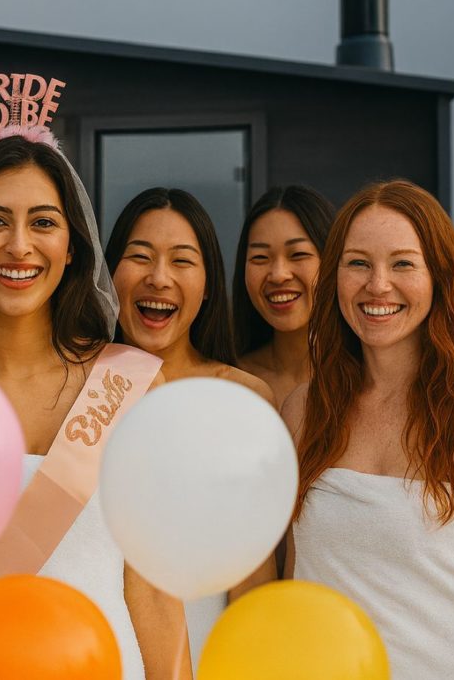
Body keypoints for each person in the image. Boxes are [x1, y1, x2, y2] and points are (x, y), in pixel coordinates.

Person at [0, 126, 185, 678]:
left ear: (72, 248)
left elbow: (158, 596)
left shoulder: (133, 386)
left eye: (43, 222)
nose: (18, 246)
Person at [282, 180, 454, 678]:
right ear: (334, 276)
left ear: (439, 276)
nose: (378, 285)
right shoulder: (305, 409)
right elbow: (297, 583)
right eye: (358, 263)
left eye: (403, 263)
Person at [105, 187, 275, 672]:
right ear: (108, 274)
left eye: (182, 261)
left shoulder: (243, 398)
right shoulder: (81, 386)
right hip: (93, 646)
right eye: (139, 257)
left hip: (207, 656)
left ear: (207, 286)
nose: (158, 278)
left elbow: (251, 575)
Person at [232, 186, 334, 406]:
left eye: (298, 254)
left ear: (332, 261)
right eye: (260, 257)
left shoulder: (367, 379)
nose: (278, 275)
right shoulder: (227, 382)